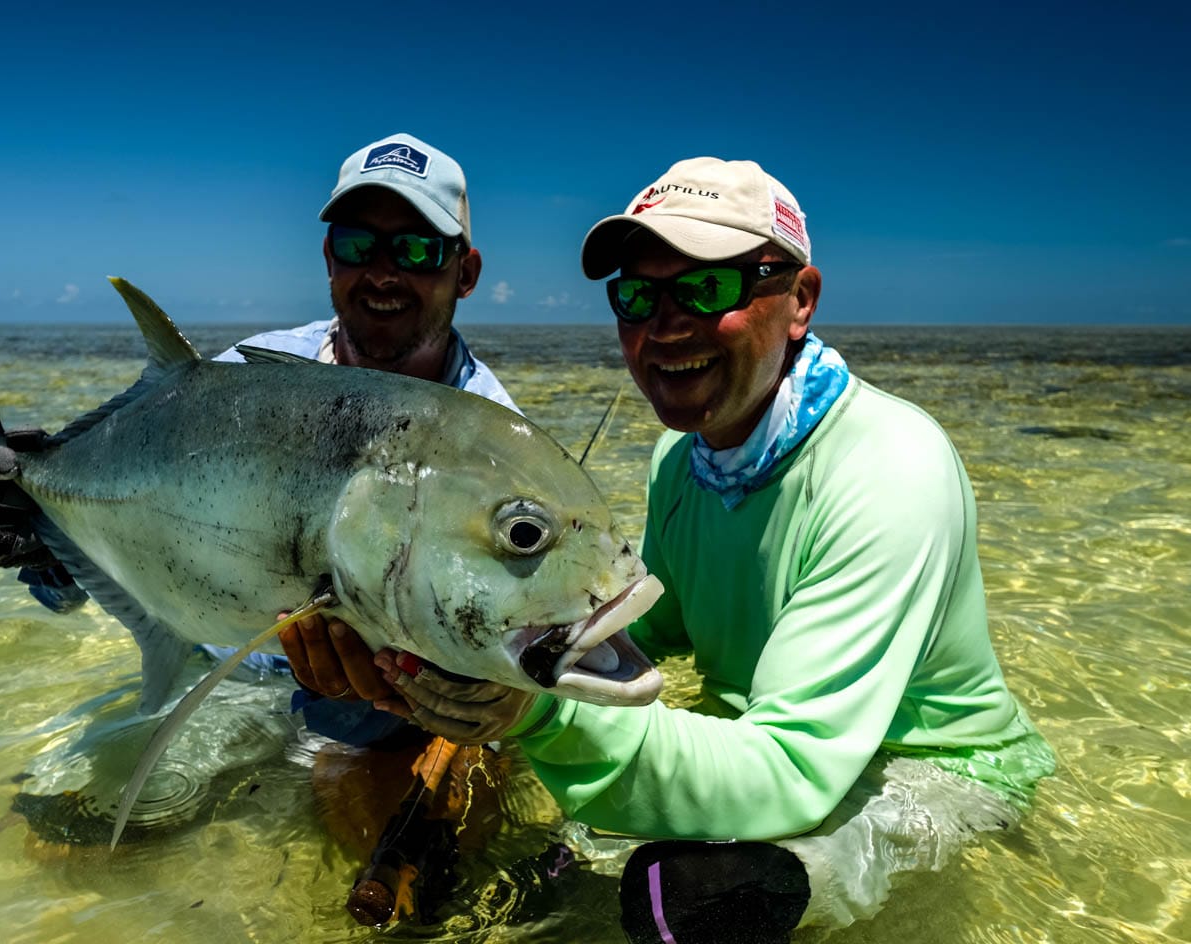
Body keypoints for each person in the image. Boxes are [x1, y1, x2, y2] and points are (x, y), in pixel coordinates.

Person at [371, 157, 1057, 941]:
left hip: (929, 770)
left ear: (800, 300)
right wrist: (487, 652)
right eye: (638, 295)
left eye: (708, 288)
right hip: (759, 738)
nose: (664, 325)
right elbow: (651, 634)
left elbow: (795, 769)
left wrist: (536, 715)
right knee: (536, 885)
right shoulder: (681, 459)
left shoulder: (891, 466)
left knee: (687, 902)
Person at [0, 132, 521, 809]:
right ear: (327, 257)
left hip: (377, 729)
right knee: (61, 850)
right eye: (356, 244)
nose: (382, 272)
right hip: (221, 683)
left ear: (465, 272)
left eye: (416, 249)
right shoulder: (240, 382)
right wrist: (41, 549)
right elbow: (109, 574)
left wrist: (489, 698)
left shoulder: (501, 456)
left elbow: (521, 648)